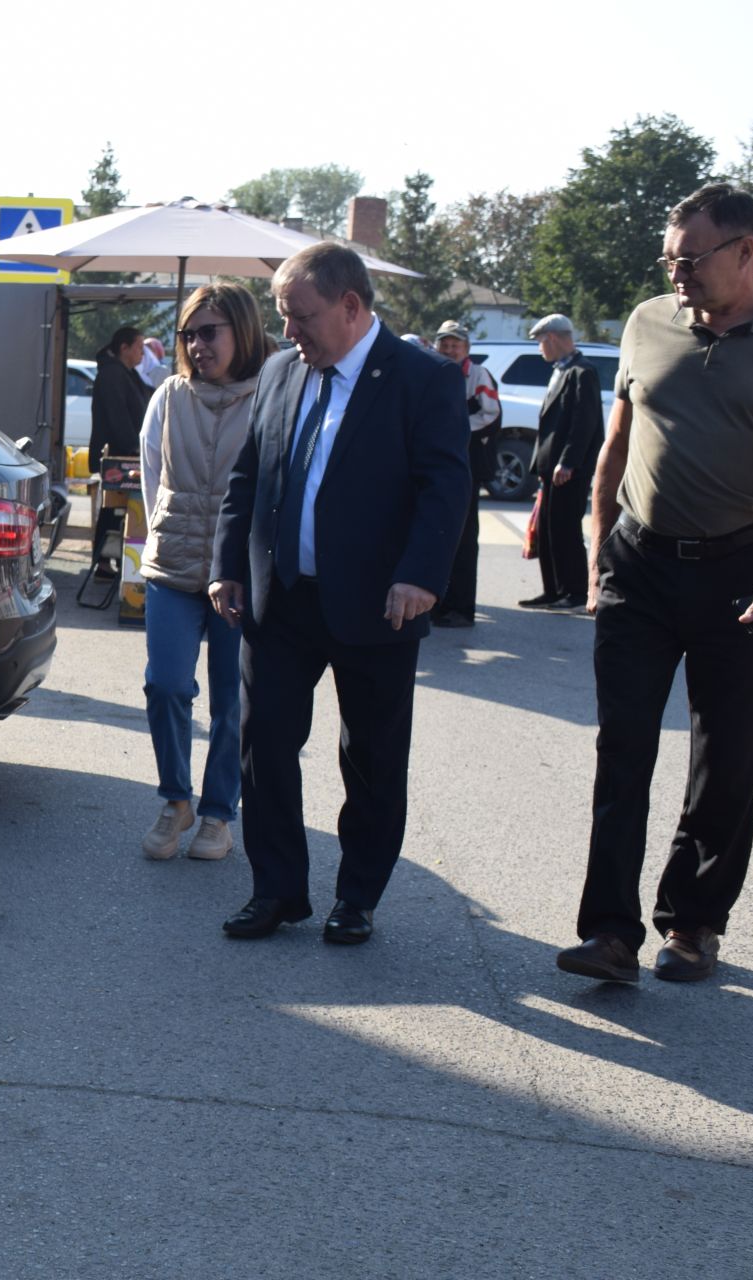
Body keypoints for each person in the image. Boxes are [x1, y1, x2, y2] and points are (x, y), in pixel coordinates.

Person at [555, 184, 753, 985]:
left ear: (745, 253)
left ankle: (693, 924)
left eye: (691, 259)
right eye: (668, 259)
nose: (677, 275)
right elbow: (619, 442)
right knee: (621, 747)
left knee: (724, 758)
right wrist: (599, 552)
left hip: (746, 568)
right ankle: (609, 932)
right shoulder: (648, 321)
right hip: (639, 561)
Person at [207, 243, 471, 945]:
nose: (289, 332)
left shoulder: (424, 380)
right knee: (264, 746)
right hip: (281, 598)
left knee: (372, 759)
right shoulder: (278, 373)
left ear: (351, 308)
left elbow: (444, 487)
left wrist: (420, 574)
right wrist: (227, 565)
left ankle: (357, 897)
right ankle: (276, 891)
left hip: (380, 603)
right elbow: (249, 477)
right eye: (283, 318)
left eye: (301, 317)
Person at [137, 284, 274, 862]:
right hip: (171, 566)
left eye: (209, 331)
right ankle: (176, 799)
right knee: (164, 684)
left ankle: (219, 813)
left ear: (241, 331)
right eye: (189, 334)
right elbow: (150, 473)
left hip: (239, 575)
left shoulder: (271, 392)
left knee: (230, 701)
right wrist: (166, 533)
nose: (196, 345)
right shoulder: (169, 395)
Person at [519, 314, 604, 609]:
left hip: (568, 470)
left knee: (565, 530)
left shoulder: (583, 371)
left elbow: (585, 422)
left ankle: (575, 590)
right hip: (550, 468)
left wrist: (568, 462)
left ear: (552, 338)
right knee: (548, 530)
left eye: (541, 342)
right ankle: (553, 590)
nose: (541, 348)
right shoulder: (562, 369)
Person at [429, 320, 502, 628]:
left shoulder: (478, 374)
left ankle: (461, 608)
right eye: (444, 343)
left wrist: (454, 431)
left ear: (466, 348)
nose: (449, 348)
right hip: (439, 461)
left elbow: (490, 413)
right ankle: (440, 602)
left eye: (455, 344)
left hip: (467, 463)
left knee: (464, 537)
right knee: (441, 534)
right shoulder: (433, 371)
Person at [88, 326, 152, 577]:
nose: (142, 354)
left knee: (117, 513)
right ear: (123, 348)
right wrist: (134, 447)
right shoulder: (112, 374)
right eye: (139, 347)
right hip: (118, 455)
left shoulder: (125, 373)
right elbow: (118, 418)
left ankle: (110, 562)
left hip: (126, 453)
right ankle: (103, 562)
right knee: (111, 511)